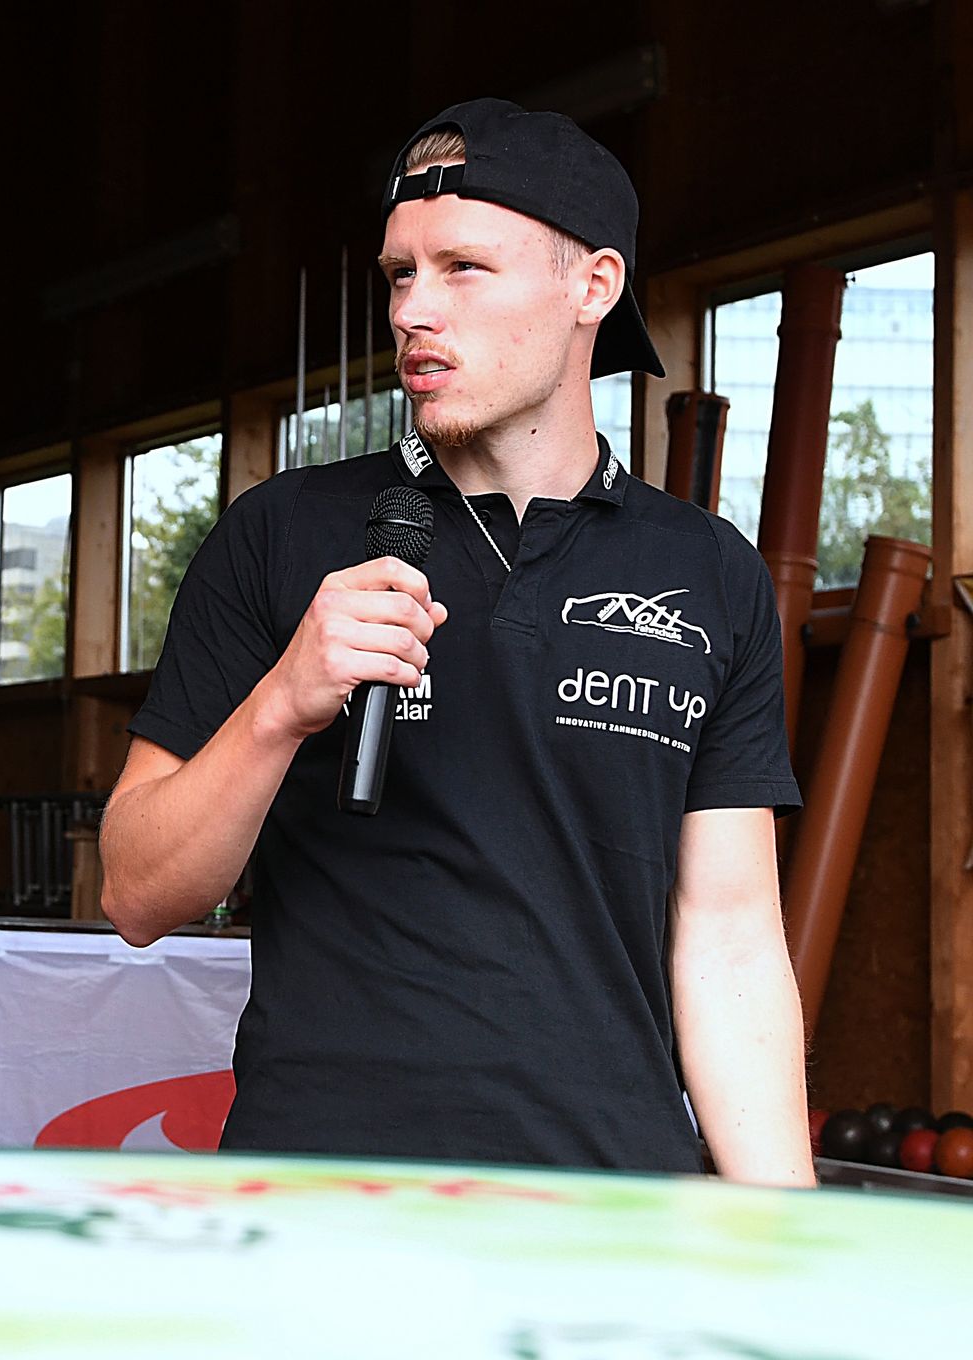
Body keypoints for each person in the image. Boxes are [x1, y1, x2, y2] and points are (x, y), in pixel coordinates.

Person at [99, 99, 812, 1184]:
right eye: (399, 275)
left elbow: (729, 941)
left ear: (593, 286)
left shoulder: (708, 571)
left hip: (606, 1200)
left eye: (462, 268)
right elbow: (135, 893)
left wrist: (784, 1230)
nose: (412, 311)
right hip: (322, 1196)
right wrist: (283, 703)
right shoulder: (281, 533)